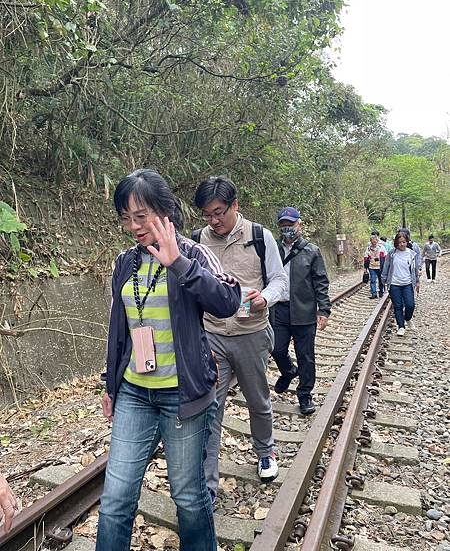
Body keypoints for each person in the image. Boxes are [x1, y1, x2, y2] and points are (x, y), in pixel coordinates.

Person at [96, 169, 241, 551]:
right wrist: (110, 385)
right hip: (134, 393)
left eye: (140, 216)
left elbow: (228, 303)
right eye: (125, 218)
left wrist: (180, 264)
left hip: (183, 395)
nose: (133, 226)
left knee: (189, 499)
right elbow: (119, 330)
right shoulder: (125, 262)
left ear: (165, 212)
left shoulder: (195, 254)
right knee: (114, 499)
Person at [193, 176, 287, 500]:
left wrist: (266, 297)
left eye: (219, 212)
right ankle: (206, 485)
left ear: (235, 205)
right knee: (209, 407)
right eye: (207, 215)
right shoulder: (197, 241)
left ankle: (266, 452)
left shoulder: (261, 237)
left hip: (251, 333)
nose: (214, 221)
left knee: (258, 400)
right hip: (213, 336)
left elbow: (279, 280)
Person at [271, 207, 331, 415]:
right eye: (283, 225)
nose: (287, 229)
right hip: (279, 309)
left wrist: (323, 309)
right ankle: (288, 372)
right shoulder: (273, 249)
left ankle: (305, 394)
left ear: (299, 225)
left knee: (305, 355)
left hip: (304, 311)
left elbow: (321, 282)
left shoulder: (311, 251)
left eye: (291, 225)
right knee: (276, 348)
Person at [382, 231, 420, 336]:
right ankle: (401, 326)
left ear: (407, 242)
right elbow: (386, 267)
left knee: (410, 305)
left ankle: (408, 318)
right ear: (396, 243)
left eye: (403, 242)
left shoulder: (412, 254)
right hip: (394, 284)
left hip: (407, 283)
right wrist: (384, 280)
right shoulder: (392, 253)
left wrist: (417, 281)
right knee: (398, 306)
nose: (402, 244)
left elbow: (415, 269)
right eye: (399, 242)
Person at [364, 233, 386, 299]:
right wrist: (365, 268)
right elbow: (366, 258)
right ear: (370, 241)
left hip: (380, 266)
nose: (374, 241)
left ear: (377, 240)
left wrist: (385, 266)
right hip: (371, 266)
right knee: (373, 280)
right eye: (372, 240)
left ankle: (381, 292)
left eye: (375, 240)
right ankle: (374, 294)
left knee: (381, 280)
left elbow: (385, 256)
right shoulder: (368, 248)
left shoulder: (381, 247)